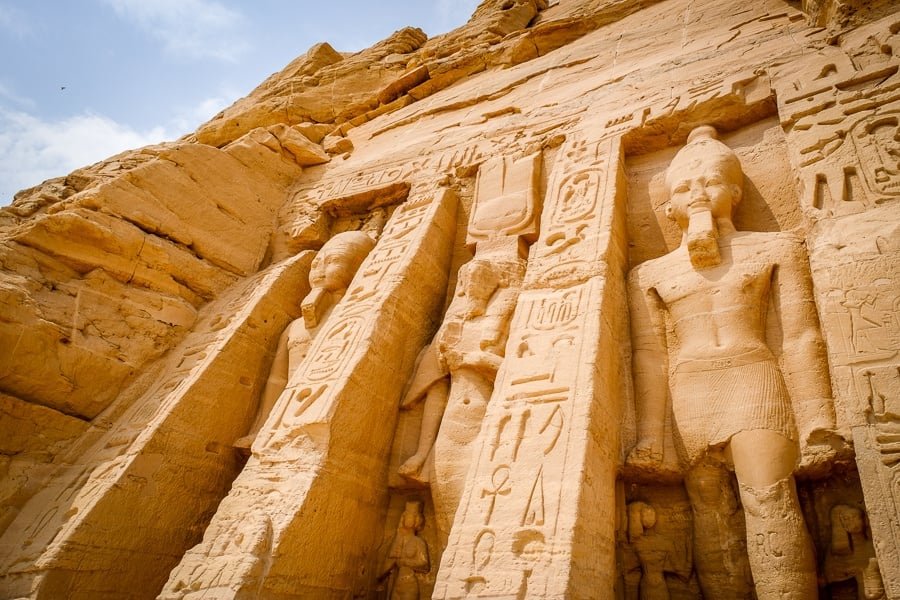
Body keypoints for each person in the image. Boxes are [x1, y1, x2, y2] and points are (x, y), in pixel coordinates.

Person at [626, 126, 836, 599]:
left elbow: (800, 335)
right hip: (690, 391)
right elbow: (650, 355)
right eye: (684, 187)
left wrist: (818, 415)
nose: (698, 192)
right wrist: (649, 435)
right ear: (668, 206)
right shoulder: (650, 273)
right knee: (709, 513)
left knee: (769, 499)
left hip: (754, 380)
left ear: (736, 192)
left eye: (711, 182)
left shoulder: (775, 248)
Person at [234, 231, 374, 450]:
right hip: (287, 415)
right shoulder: (294, 326)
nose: (320, 270)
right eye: (316, 264)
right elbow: (276, 380)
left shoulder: (356, 314)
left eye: (334, 261)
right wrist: (261, 427)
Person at [380, 501, 430, 600]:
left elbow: (425, 565)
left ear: (417, 520)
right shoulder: (399, 540)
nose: (406, 517)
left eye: (410, 515)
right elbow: (389, 563)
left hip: (409, 584)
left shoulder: (418, 542)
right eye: (405, 515)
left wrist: (405, 562)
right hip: (397, 583)